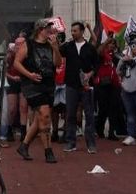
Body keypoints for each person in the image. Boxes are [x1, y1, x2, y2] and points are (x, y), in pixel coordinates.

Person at [13, 18, 61, 163]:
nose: (50, 31)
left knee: (40, 118)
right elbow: (16, 63)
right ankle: (48, 151)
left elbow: (58, 64)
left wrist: (55, 47)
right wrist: (29, 75)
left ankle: (24, 146)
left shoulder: (51, 45)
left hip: (48, 84)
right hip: (32, 85)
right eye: (48, 28)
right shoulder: (29, 44)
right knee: (45, 117)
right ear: (40, 30)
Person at [61, 21, 99, 153]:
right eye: (71, 31)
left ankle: (91, 144)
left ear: (82, 32)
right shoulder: (68, 46)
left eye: (75, 31)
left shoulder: (90, 48)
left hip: (86, 86)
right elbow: (57, 54)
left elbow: (96, 64)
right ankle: (71, 142)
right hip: (71, 84)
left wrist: (90, 73)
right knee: (70, 114)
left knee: (89, 115)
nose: (73, 33)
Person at [92, 39, 124, 140]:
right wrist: (106, 42)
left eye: (113, 44)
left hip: (114, 85)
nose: (111, 45)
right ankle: (99, 129)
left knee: (113, 109)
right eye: (110, 43)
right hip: (102, 85)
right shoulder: (102, 54)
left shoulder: (116, 56)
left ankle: (111, 132)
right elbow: (99, 51)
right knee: (103, 109)